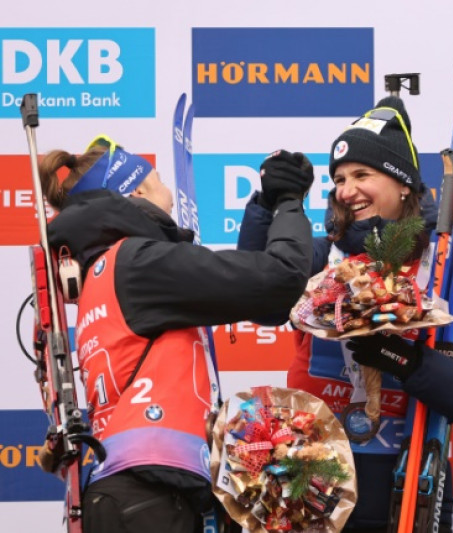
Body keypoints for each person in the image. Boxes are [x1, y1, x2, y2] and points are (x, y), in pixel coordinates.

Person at [236, 96, 453, 532]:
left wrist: (405, 360)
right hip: (310, 488)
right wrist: (269, 204)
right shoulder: (321, 259)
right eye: (339, 178)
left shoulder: (444, 272)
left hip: (409, 487)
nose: (347, 191)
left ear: (403, 184)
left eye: (362, 175)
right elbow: (255, 294)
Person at [41, 136, 315, 533]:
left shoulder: (108, 267)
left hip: (133, 490)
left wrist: (264, 209)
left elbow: (263, 301)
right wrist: (290, 199)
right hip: (147, 497)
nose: (168, 191)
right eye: (159, 179)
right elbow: (281, 278)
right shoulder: (139, 262)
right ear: (137, 191)